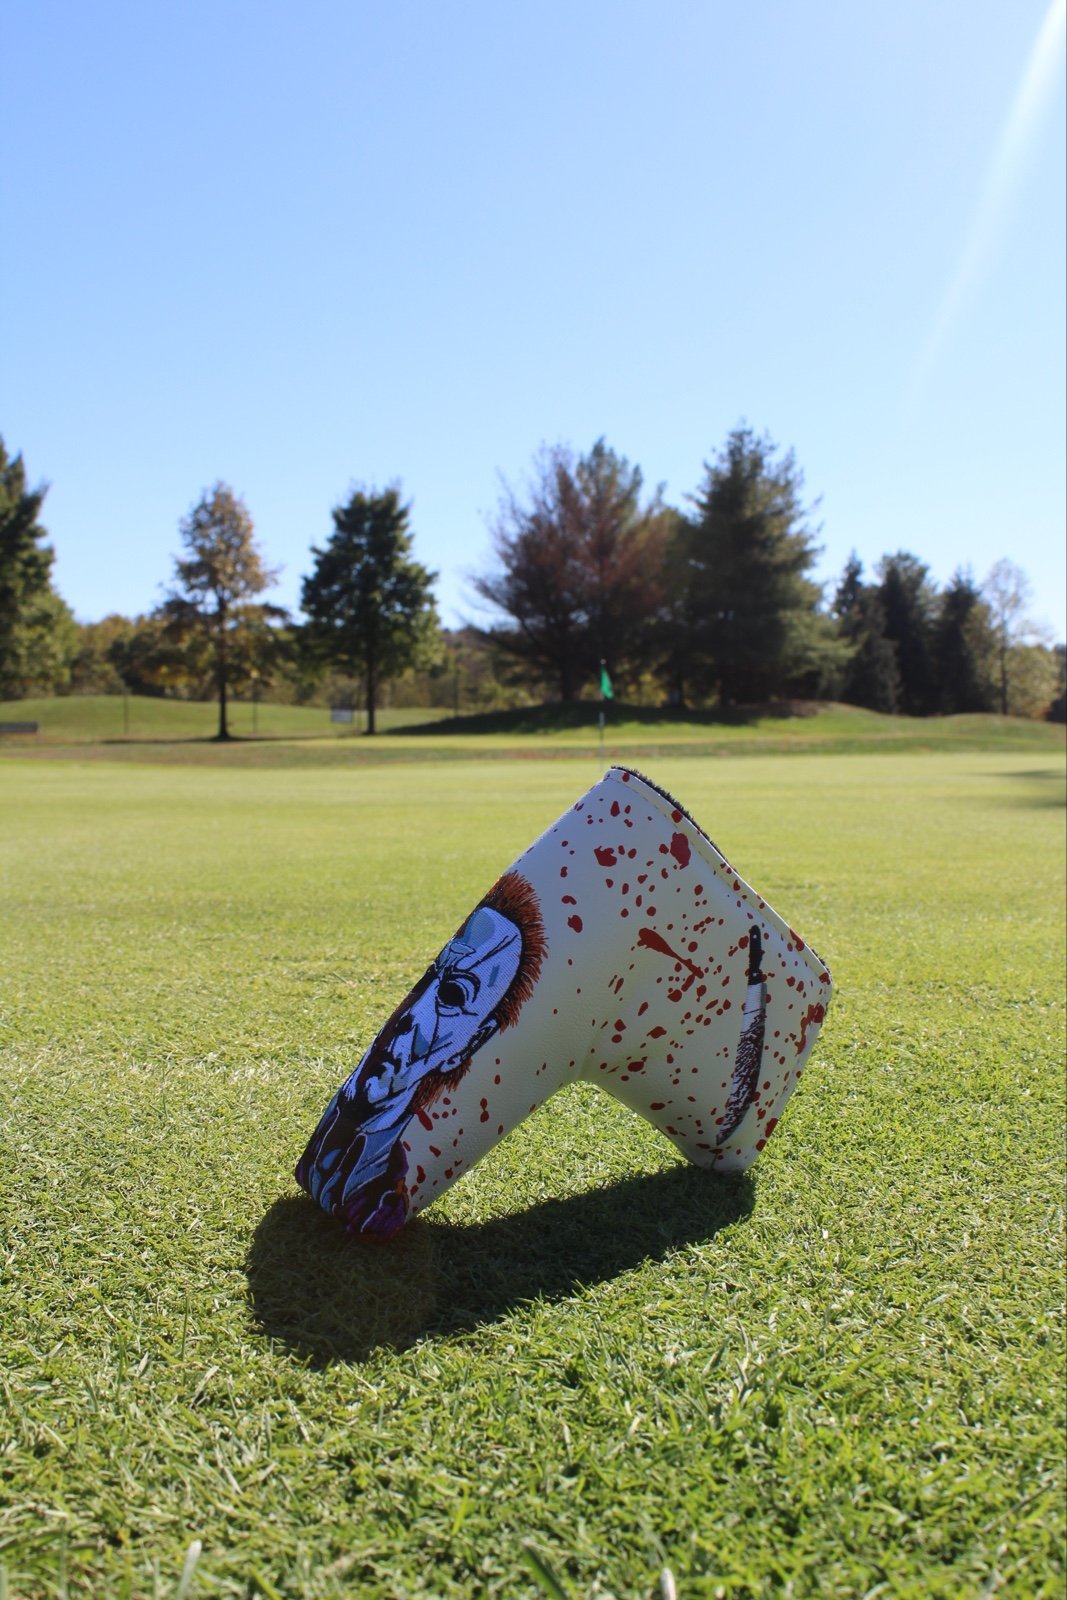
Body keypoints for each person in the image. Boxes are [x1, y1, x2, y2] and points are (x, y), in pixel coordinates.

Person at [296, 870, 545, 1237]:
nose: (411, 1014)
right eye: (432, 975)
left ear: (470, 1043)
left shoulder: (381, 1197)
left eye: (453, 996)